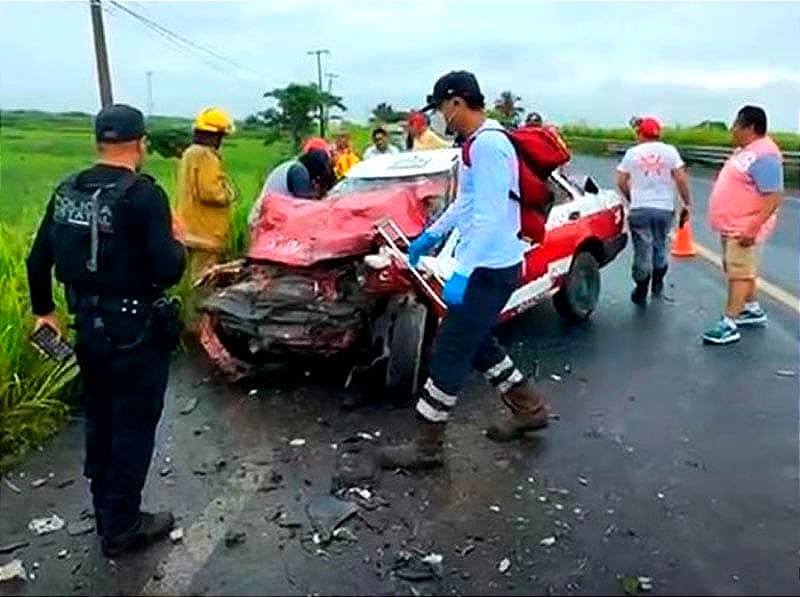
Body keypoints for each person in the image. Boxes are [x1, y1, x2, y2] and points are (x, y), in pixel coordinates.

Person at [26, 104, 186, 557]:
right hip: (135, 332)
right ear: (141, 143)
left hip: (87, 330)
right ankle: (122, 526)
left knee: (99, 420)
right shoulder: (144, 195)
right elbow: (167, 269)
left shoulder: (67, 189)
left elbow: (38, 261)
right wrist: (177, 237)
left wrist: (44, 312)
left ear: (98, 141)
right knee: (133, 424)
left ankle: (105, 513)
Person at [377, 71, 549, 471]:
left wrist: (465, 272)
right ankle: (530, 408)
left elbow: (489, 217)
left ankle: (427, 446)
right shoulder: (477, 144)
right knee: (478, 343)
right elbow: (466, 204)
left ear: (456, 102)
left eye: (439, 107)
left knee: (450, 350)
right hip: (490, 264)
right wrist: (426, 237)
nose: (439, 117)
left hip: (490, 267)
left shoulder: (488, 145)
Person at [703, 105, 784, 345]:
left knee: (739, 272)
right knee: (736, 268)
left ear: (749, 127)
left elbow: (774, 194)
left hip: (745, 224)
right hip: (732, 223)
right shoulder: (747, 151)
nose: (732, 129)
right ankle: (752, 309)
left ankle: (729, 322)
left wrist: (753, 227)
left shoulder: (765, 155)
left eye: (736, 125)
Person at [616, 116, 692, 303]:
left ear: (639, 133)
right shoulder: (670, 152)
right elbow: (681, 179)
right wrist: (687, 202)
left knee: (642, 250)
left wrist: (632, 198)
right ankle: (657, 282)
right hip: (664, 208)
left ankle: (641, 287)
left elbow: (621, 180)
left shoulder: (632, 153)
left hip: (640, 208)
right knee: (660, 245)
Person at [175, 107, 235, 281]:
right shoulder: (206, 156)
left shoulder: (190, 153)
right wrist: (227, 194)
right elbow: (211, 193)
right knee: (204, 282)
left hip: (189, 231)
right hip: (206, 235)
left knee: (189, 280)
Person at [249, 149, 336, 227]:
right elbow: (305, 205)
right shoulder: (298, 171)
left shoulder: (294, 166)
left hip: (267, 218)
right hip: (265, 221)